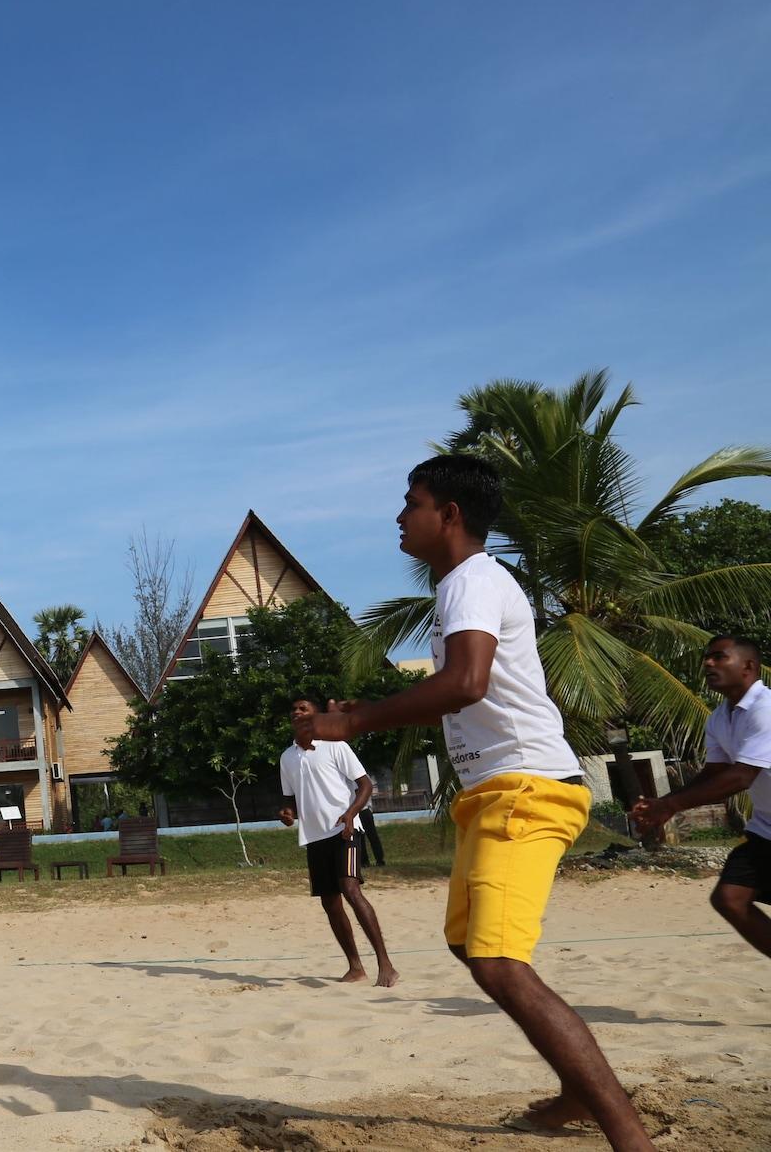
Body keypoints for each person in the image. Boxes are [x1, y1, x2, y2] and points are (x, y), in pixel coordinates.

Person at [292, 455, 651, 1150]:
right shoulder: (464, 586)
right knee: (468, 945)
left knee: (496, 960)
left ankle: (627, 1133)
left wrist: (353, 723)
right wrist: (371, 708)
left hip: (526, 789)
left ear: (449, 514)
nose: (401, 515)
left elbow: (466, 682)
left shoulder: (470, 580)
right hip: (498, 793)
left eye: (412, 501)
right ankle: (579, 1089)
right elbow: (461, 691)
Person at [633, 636, 771, 958]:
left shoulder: (766, 710)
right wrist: (662, 804)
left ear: (748, 666)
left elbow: (741, 777)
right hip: (766, 830)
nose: (708, 663)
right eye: (707, 658)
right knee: (730, 899)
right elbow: (714, 772)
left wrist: (671, 805)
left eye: (719, 657)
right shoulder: (721, 717)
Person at [278, 731, 398, 986]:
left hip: (345, 830)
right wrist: (288, 813)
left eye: (304, 708)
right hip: (314, 837)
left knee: (350, 889)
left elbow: (365, 785)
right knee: (330, 903)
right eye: (294, 711)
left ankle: (385, 964)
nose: (298, 713)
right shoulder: (287, 757)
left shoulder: (335, 746)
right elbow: (290, 799)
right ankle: (355, 967)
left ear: (314, 717)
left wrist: (351, 814)